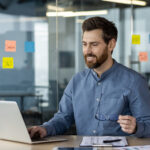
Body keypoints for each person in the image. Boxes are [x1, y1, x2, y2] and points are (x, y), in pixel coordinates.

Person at [28, 16, 150, 138]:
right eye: (85, 44)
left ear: (111, 45)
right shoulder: (77, 81)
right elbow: (63, 118)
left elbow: (148, 125)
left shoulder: (134, 82)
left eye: (94, 44)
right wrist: (44, 129)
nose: (87, 50)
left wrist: (136, 127)